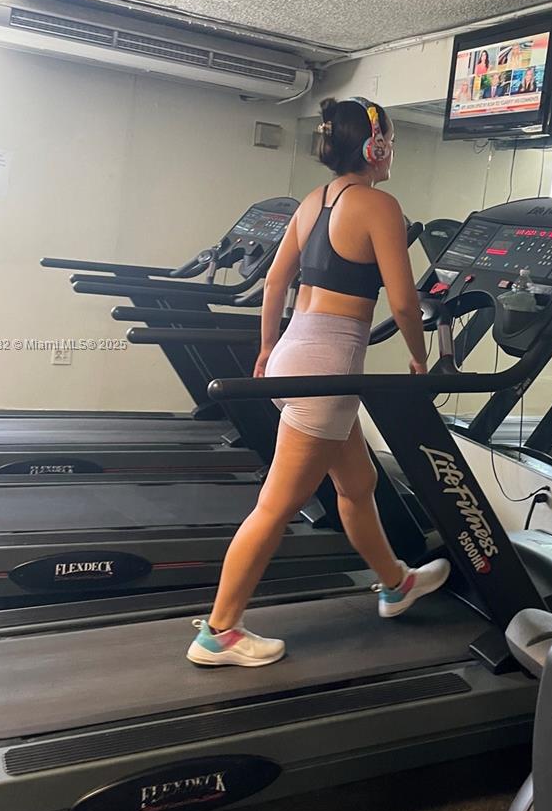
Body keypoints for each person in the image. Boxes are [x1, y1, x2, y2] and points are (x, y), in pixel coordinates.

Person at [187, 96, 451, 667]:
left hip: (294, 355)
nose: (392, 151)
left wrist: (266, 350)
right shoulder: (379, 205)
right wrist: (419, 358)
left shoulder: (313, 201)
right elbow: (405, 303)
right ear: (374, 147)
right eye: (390, 141)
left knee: (356, 484)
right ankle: (219, 632)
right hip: (326, 371)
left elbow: (274, 283)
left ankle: (395, 583)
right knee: (275, 506)